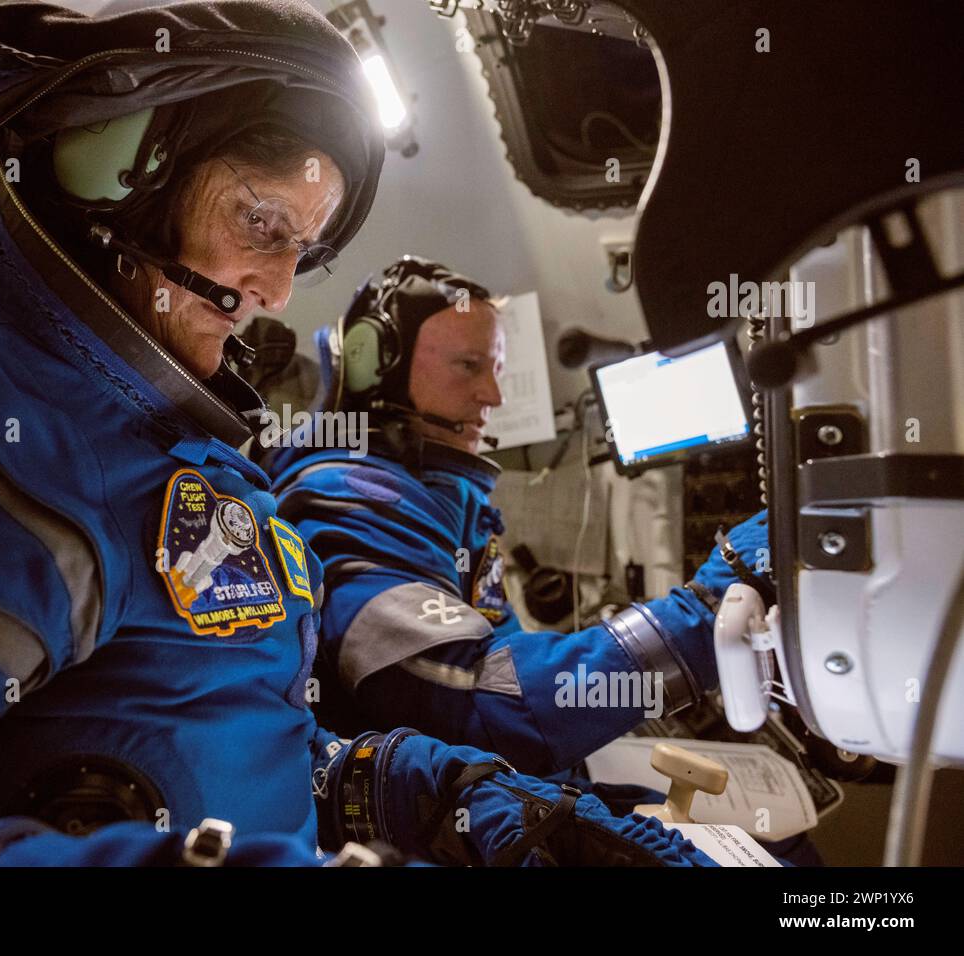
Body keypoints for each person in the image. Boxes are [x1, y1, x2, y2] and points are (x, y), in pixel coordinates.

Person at [0, 2, 718, 867]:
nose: (273, 286)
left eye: (301, 250)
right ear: (114, 167)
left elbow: (239, 736)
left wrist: (452, 798)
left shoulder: (195, 469)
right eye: (261, 223)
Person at [265, 256, 771, 779]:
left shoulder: (435, 490)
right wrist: (707, 613)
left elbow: (497, 656)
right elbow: (473, 704)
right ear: (375, 366)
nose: (495, 395)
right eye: (469, 365)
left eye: (498, 370)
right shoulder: (349, 500)